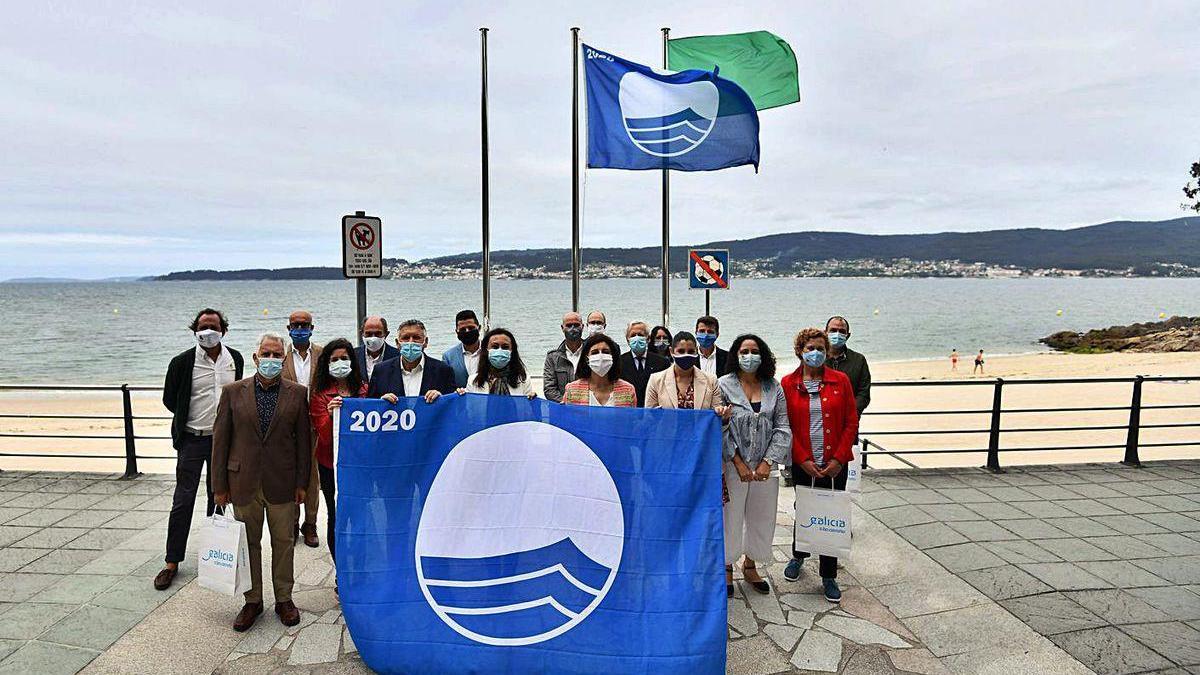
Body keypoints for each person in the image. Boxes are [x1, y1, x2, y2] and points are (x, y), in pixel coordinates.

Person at [211, 332, 312, 631]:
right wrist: (219, 486)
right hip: (242, 482)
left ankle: (284, 599)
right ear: (255, 358)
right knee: (248, 544)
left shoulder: (297, 393)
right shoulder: (232, 392)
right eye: (265, 355)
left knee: (283, 543)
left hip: (282, 481)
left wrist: (302, 483)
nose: (270, 360)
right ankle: (252, 600)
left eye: (276, 355)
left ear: (283, 359)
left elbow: (303, 443)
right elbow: (221, 441)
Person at [155, 308, 245, 592]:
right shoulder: (182, 362)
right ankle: (172, 561)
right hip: (193, 439)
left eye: (213, 326)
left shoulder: (235, 359)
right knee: (183, 500)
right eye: (203, 326)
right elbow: (171, 400)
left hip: (224, 441)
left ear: (224, 330)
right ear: (195, 330)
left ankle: (213, 558)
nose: (208, 331)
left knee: (217, 499)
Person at [780, 328, 858, 603]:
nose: (816, 353)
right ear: (800, 351)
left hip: (835, 463)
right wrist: (801, 458)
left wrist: (839, 458)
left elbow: (851, 420)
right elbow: (784, 424)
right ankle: (798, 555)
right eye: (810, 348)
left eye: (821, 349)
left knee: (831, 515)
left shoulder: (841, 380)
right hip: (804, 463)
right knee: (805, 510)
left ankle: (828, 574)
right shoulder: (788, 383)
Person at [718, 334, 791, 598]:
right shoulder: (723, 385)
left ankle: (750, 565)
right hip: (733, 466)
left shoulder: (774, 387)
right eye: (744, 350)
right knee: (731, 517)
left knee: (762, 518)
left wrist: (767, 462)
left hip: (764, 469)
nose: (750, 356)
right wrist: (736, 461)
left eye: (755, 350)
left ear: (764, 355)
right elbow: (721, 427)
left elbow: (783, 426)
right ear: (736, 355)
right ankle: (726, 568)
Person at [308, 338, 366, 563]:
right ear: (327, 364)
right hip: (330, 465)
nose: (340, 362)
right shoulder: (320, 396)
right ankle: (340, 569)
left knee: (361, 515)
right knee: (336, 515)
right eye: (335, 359)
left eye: (344, 358)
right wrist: (331, 415)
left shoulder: (365, 390)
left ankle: (360, 562)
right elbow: (323, 437)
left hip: (361, 465)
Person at [281, 310, 322, 549]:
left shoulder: (322, 354)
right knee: (290, 476)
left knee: (312, 479)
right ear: (288, 328)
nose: (299, 329)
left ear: (311, 328)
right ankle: (292, 523)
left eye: (304, 325)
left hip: (315, 425)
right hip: (287, 427)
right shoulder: (279, 356)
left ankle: (311, 524)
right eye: (295, 325)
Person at [367, 319, 456, 402]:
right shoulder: (381, 371)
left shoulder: (443, 371)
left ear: (426, 342)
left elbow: (453, 405)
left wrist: (442, 399)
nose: (411, 342)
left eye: (416, 337)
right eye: (405, 338)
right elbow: (369, 406)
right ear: (397, 343)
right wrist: (380, 402)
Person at [562, 333, 637, 407]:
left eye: (605, 352)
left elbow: (631, 418)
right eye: (595, 352)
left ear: (612, 357)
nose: (600, 356)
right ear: (586, 359)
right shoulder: (572, 391)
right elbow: (566, 417)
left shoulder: (628, 390)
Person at [460, 327, 537, 398]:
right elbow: (469, 409)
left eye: (505, 347)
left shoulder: (523, 380)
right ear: (486, 350)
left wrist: (532, 400)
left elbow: (527, 411)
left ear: (512, 351)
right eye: (495, 347)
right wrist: (459, 396)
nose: (500, 350)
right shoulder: (473, 381)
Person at [825, 316, 871, 417]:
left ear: (848, 335)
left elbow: (864, 393)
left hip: (849, 421)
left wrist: (851, 413)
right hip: (820, 421)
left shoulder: (859, 360)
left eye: (842, 331)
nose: (837, 334)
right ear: (825, 332)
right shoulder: (815, 359)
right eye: (833, 330)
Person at [619, 321, 670, 408]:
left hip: (653, 413)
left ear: (648, 338)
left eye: (640, 335)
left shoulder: (662, 362)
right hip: (628, 413)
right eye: (633, 335)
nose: (637, 338)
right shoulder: (619, 363)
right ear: (627, 340)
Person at [543, 312, 585, 402]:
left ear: (583, 327)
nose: (573, 329)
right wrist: (567, 403)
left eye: (576, 325)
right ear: (562, 328)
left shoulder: (591, 353)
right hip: (562, 409)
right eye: (569, 325)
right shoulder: (552, 358)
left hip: (587, 409)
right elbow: (549, 389)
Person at [442, 310, 483, 388]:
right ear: (457, 332)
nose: (467, 331)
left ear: (479, 328)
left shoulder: (490, 351)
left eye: (471, 328)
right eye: (462, 329)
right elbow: (446, 385)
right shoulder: (448, 357)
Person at [353, 316, 398, 382]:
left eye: (378, 334)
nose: (373, 338)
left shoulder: (397, 356)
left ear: (386, 334)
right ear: (361, 334)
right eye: (368, 334)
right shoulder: (353, 355)